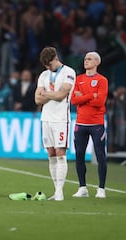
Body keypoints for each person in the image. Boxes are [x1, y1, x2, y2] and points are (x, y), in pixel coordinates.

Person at [34, 47, 76, 201]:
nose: (48, 68)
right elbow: (37, 100)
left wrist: (46, 93)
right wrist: (49, 95)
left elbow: (61, 95)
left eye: (50, 65)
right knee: (51, 154)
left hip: (61, 119)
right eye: (46, 66)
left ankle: (60, 192)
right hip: (46, 118)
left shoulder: (69, 72)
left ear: (56, 58)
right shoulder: (44, 75)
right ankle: (56, 190)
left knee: (60, 153)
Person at [70, 52, 108, 198]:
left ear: (97, 62)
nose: (86, 61)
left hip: (96, 123)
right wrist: (92, 95)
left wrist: (83, 97)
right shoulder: (78, 79)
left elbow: (100, 102)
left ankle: (101, 189)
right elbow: (73, 100)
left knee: (100, 155)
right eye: (85, 59)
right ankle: (82, 187)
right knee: (79, 155)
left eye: (90, 59)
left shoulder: (102, 80)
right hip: (81, 123)